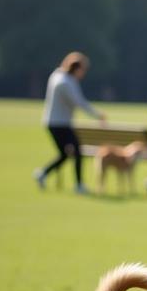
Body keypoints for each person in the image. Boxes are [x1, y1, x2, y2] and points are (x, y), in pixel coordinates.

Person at [34, 52, 106, 194]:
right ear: (77, 69)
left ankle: (43, 173)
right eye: (83, 70)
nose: (83, 74)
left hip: (54, 122)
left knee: (65, 154)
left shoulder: (57, 76)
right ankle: (79, 185)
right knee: (76, 152)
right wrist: (97, 115)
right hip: (60, 123)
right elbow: (79, 102)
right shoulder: (67, 82)